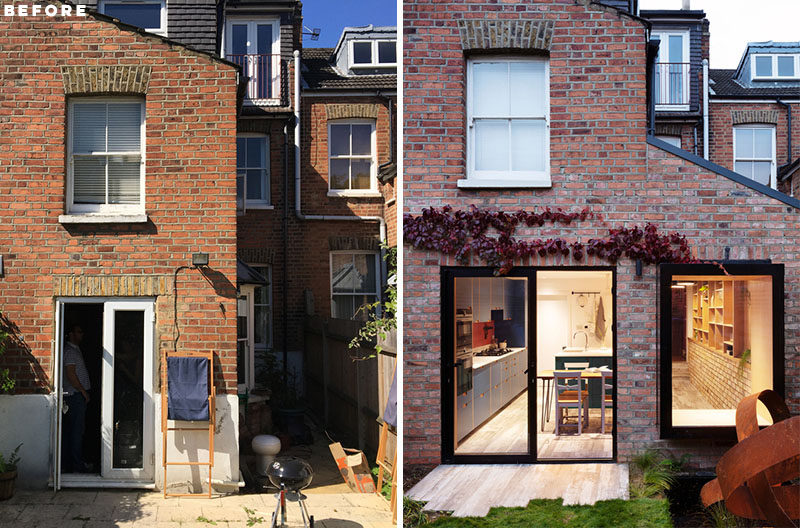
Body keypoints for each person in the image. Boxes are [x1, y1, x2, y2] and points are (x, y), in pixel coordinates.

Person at [62, 324, 91, 473]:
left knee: (74, 431)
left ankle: (73, 464)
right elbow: (71, 374)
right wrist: (82, 391)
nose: (82, 334)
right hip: (74, 396)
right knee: (76, 431)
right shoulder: (70, 352)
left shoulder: (74, 350)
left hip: (76, 395)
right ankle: (76, 465)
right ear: (71, 334)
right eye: (79, 331)